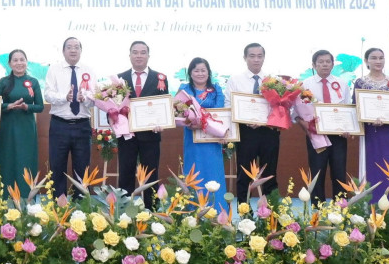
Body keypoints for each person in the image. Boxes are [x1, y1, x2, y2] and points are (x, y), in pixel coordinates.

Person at [352, 48, 389, 207]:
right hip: (372, 133)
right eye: (374, 58)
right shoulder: (360, 82)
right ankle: (373, 207)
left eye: (381, 58)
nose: (378, 61)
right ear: (366, 61)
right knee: (374, 167)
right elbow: (356, 107)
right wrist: (369, 119)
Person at [116, 41, 168, 209]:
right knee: (126, 174)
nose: (139, 55)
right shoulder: (120, 78)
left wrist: (162, 123)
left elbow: (163, 106)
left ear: (148, 56)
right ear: (129, 55)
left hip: (150, 135)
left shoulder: (160, 78)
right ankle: (123, 212)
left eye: (143, 52)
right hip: (127, 135)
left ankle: (151, 212)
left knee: (151, 175)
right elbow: (115, 106)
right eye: (135, 52)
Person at [223, 42, 278, 202]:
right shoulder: (235, 80)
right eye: (252, 56)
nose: (256, 60)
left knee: (270, 173)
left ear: (264, 58)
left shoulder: (273, 81)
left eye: (259, 56)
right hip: (245, 132)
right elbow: (228, 105)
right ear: (245, 58)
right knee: (244, 173)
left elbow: (280, 107)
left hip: (269, 132)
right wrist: (243, 119)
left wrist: (264, 121)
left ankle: (271, 210)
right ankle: (244, 210)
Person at [295, 50, 351, 204]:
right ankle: (317, 209)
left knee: (339, 172)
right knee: (317, 173)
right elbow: (296, 112)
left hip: (338, 136)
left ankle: (340, 208)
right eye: (321, 62)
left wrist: (349, 128)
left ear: (332, 64)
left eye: (328, 61)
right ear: (314, 65)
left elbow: (348, 109)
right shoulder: (305, 85)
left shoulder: (342, 84)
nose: (325, 64)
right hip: (316, 135)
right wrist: (304, 124)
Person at [44, 37, 96, 198]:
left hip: (82, 125)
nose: (73, 50)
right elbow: (48, 94)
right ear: (63, 51)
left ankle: (81, 204)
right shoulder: (54, 69)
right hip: (60, 125)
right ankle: (59, 206)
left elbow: (95, 98)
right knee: (57, 167)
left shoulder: (89, 70)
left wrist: (85, 98)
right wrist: (64, 97)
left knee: (82, 169)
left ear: (81, 50)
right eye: (69, 47)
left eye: (76, 47)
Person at [177, 57, 228, 210]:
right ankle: (192, 213)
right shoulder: (184, 89)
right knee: (195, 171)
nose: (200, 74)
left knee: (213, 172)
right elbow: (177, 112)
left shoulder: (216, 89)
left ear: (208, 72)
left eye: (203, 70)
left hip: (212, 139)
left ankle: (217, 212)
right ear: (190, 73)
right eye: (196, 70)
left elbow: (220, 112)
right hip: (192, 140)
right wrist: (189, 122)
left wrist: (211, 127)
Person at [0, 49, 43, 198]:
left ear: (26, 62)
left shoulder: (33, 82)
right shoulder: (3, 82)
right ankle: (5, 197)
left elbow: (40, 107)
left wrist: (27, 107)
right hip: (7, 127)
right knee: (7, 159)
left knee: (25, 160)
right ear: (10, 64)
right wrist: (8, 106)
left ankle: (26, 197)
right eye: (15, 60)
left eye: (22, 59)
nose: (19, 63)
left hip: (26, 128)